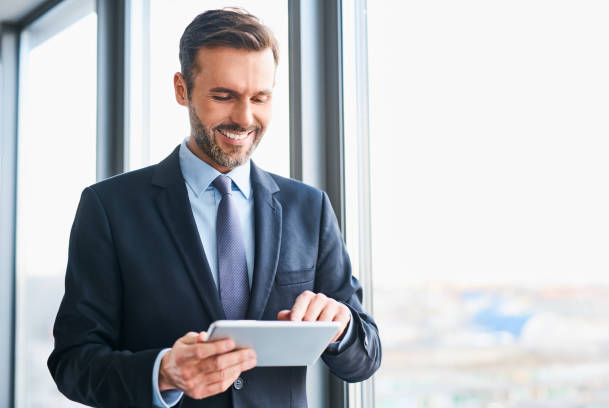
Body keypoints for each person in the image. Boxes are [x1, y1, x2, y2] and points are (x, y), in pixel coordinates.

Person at [48, 8, 380, 408]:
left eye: (260, 98)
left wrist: (341, 327)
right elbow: (72, 361)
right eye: (223, 96)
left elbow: (365, 357)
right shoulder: (109, 208)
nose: (244, 118)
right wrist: (164, 372)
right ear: (182, 89)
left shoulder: (308, 207)